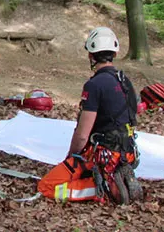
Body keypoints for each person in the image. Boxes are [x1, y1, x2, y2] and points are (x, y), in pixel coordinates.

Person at [38, 27, 141, 204]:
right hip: (128, 153)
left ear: (90, 55)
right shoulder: (125, 81)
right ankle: (110, 179)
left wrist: (71, 157)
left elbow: (82, 135)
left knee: (47, 186)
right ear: (115, 54)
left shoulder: (94, 85)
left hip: (103, 155)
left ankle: (101, 189)